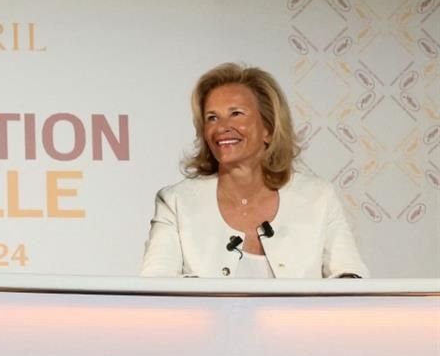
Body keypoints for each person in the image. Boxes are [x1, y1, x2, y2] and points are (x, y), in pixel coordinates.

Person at [140, 63, 368, 278]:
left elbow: (352, 280)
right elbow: (156, 287)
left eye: (236, 113)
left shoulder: (318, 198)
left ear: (268, 128)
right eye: (212, 118)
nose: (221, 127)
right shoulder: (176, 203)